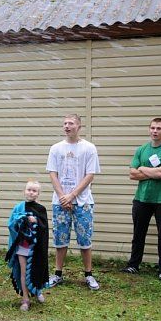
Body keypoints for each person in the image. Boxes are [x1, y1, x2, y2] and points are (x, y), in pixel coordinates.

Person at [46, 114, 101, 290]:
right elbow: (52, 173)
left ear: (79, 126)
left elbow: (90, 174)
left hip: (83, 202)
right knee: (60, 239)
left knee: (85, 239)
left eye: (71, 123)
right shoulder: (56, 148)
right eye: (64, 124)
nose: (67, 126)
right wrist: (63, 196)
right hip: (60, 201)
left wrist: (72, 196)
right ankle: (57, 274)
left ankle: (88, 274)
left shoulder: (89, 148)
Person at [123, 118, 161, 282]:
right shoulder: (141, 150)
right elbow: (132, 174)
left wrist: (143, 169)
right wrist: (154, 171)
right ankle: (134, 265)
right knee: (138, 234)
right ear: (149, 129)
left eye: (159, 128)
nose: (155, 131)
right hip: (141, 199)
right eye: (153, 128)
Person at [6, 181, 49, 311]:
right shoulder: (19, 208)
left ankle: (37, 290)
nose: (31, 192)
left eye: (34, 191)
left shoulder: (41, 209)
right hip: (22, 246)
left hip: (36, 248)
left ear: (38, 194)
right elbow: (11, 224)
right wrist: (21, 219)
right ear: (24, 191)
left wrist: (36, 221)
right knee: (23, 271)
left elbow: (44, 228)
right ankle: (25, 298)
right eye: (29, 189)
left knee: (37, 269)